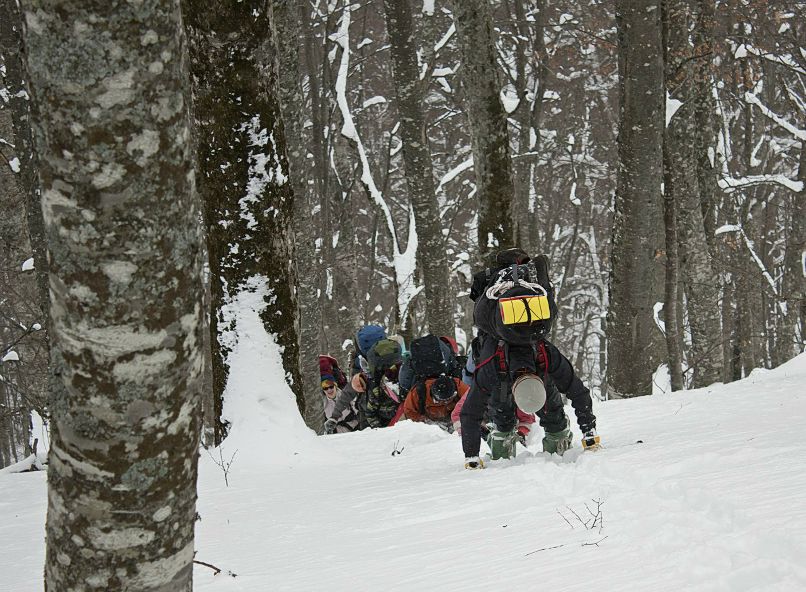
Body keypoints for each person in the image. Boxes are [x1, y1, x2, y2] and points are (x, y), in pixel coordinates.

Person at [460, 247, 600, 469]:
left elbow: (577, 391)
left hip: (522, 370)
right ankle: (548, 447)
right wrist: (471, 455)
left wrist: (589, 429)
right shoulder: (495, 362)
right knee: (508, 417)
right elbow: (471, 411)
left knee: (530, 417)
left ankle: (512, 450)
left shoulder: (543, 355)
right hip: (502, 364)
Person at [326, 336, 404, 432]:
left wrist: (334, 417)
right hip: (391, 415)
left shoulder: (370, 376)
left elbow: (347, 395)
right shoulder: (388, 369)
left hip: (382, 417)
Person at [320, 355, 358, 434]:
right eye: (325, 388)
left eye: (331, 386)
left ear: (335, 385)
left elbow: (358, 411)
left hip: (355, 430)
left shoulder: (345, 395)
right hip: (337, 437)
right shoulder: (322, 403)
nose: (329, 390)